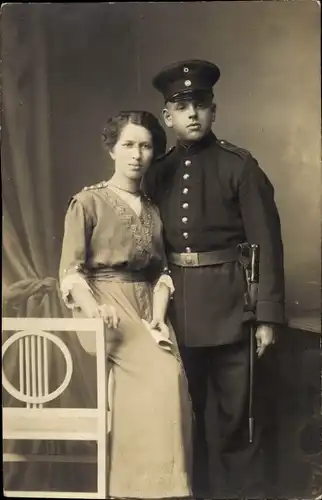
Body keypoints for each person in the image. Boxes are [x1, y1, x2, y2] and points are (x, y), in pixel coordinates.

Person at [143, 60, 286, 498]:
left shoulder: (239, 166)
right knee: (184, 419)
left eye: (200, 104)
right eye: (182, 106)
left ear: (213, 110)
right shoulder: (158, 172)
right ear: (167, 117)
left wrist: (266, 316)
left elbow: (266, 243)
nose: (192, 114)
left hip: (231, 310)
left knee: (234, 419)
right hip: (177, 313)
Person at [59, 110, 193, 500]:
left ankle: (152, 488)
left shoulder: (153, 209)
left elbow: (162, 272)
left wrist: (159, 315)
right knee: (164, 378)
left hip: (147, 307)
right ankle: (136, 489)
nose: (137, 155)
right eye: (128, 145)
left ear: (154, 153)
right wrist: (94, 308)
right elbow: (70, 270)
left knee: (173, 379)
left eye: (146, 146)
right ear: (112, 150)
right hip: (103, 308)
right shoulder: (87, 202)